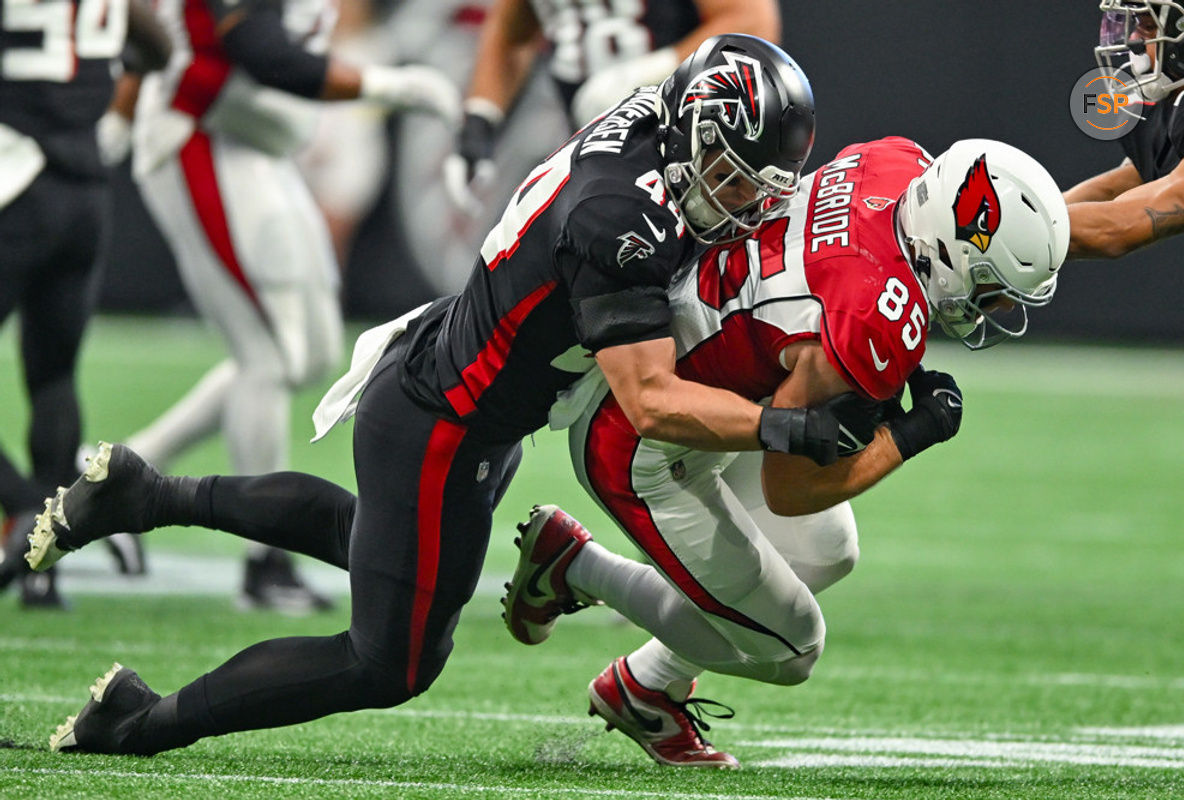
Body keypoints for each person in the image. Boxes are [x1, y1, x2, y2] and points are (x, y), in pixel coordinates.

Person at [25, 34, 823, 756]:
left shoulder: (656, 123)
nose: (743, 206)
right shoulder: (623, 222)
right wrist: (784, 426)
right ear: (690, 137)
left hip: (458, 382)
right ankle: (139, 718)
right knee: (392, 661)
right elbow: (649, 399)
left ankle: (145, 492)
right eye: (728, 179)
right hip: (446, 424)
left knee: (379, 548)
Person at [501, 136, 1070, 767]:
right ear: (951, 249)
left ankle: (644, 688)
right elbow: (791, 487)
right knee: (790, 649)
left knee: (826, 550)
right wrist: (913, 434)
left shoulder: (900, 165)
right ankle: (574, 566)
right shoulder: (871, 319)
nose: (987, 309)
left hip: (709, 371)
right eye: (988, 290)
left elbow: (825, 286)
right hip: (649, 438)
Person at [95, 0, 460, 612]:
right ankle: (263, 558)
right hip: (202, 131)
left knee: (310, 353)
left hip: (257, 138)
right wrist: (388, 85)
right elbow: (262, 52)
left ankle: (121, 470)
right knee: (266, 353)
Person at [0, 0, 172, 608]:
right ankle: (44, 565)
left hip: (16, 171)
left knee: (52, 375)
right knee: (52, 376)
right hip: (84, 188)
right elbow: (156, 42)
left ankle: (25, 510)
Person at [443, 0, 781, 214]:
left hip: (692, 145)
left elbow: (751, 21)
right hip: (595, 155)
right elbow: (510, 31)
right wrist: (479, 121)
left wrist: (647, 74)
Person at [1067, 0, 1184, 256]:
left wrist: (998, 231)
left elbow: (1118, 227)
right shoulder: (1175, 114)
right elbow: (1114, 189)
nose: (1133, 40)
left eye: (1148, 27)